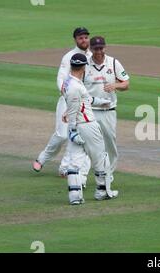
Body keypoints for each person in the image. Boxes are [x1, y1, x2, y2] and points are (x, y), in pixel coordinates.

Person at [32, 27, 91, 181]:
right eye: (80, 38)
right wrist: (68, 97)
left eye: (86, 37)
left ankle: (65, 168)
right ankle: (42, 159)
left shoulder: (91, 56)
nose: (84, 40)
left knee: (78, 136)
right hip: (67, 100)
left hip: (85, 102)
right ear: (75, 40)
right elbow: (60, 80)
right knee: (62, 134)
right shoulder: (68, 57)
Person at [62, 53, 118, 205]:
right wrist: (73, 130)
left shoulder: (69, 83)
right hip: (86, 126)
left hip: (79, 126)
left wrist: (102, 102)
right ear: (83, 67)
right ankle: (102, 191)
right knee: (100, 158)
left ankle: (75, 197)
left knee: (74, 162)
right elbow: (73, 109)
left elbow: (85, 100)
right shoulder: (75, 86)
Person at [84, 36, 130, 180]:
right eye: (95, 48)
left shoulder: (114, 63)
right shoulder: (85, 65)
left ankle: (108, 174)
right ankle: (83, 176)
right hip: (90, 111)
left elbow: (126, 84)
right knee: (88, 144)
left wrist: (115, 85)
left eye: (101, 48)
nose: (99, 51)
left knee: (110, 143)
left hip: (108, 111)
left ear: (105, 47)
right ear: (90, 49)